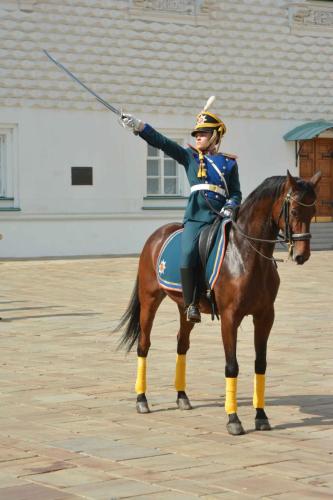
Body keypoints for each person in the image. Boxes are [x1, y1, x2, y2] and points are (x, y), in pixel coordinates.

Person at [120, 97, 242, 323]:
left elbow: (236, 193)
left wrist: (230, 206)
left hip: (223, 218)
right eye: (196, 134)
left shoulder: (229, 163)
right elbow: (164, 143)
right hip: (197, 217)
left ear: (215, 136)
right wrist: (139, 127)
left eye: (202, 134)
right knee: (187, 254)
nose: (197, 137)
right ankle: (192, 303)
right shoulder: (190, 157)